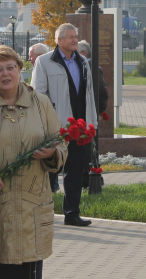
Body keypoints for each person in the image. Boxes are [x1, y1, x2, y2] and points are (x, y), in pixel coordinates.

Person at [0, 45, 67, 279]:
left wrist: (52, 153)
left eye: (11, 67)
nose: (6, 74)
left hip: (30, 216)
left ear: (20, 69)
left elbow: (60, 143)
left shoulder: (40, 103)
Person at [31, 23, 98, 227]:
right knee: (49, 170)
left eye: (76, 37)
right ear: (59, 40)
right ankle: (41, 212)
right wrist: (46, 122)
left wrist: (91, 123)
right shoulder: (44, 61)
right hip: (56, 127)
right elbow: (38, 94)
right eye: (70, 37)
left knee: (75, 171)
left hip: (79, 128)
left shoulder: (83, 62)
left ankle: (72, 213)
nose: (75, 40)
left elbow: (89, 95)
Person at [75, 40, 109, 115]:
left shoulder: (92, 68)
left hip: (88, 113)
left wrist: (97, 111)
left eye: (75, 52)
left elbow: (102, 92)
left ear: (83, 53)